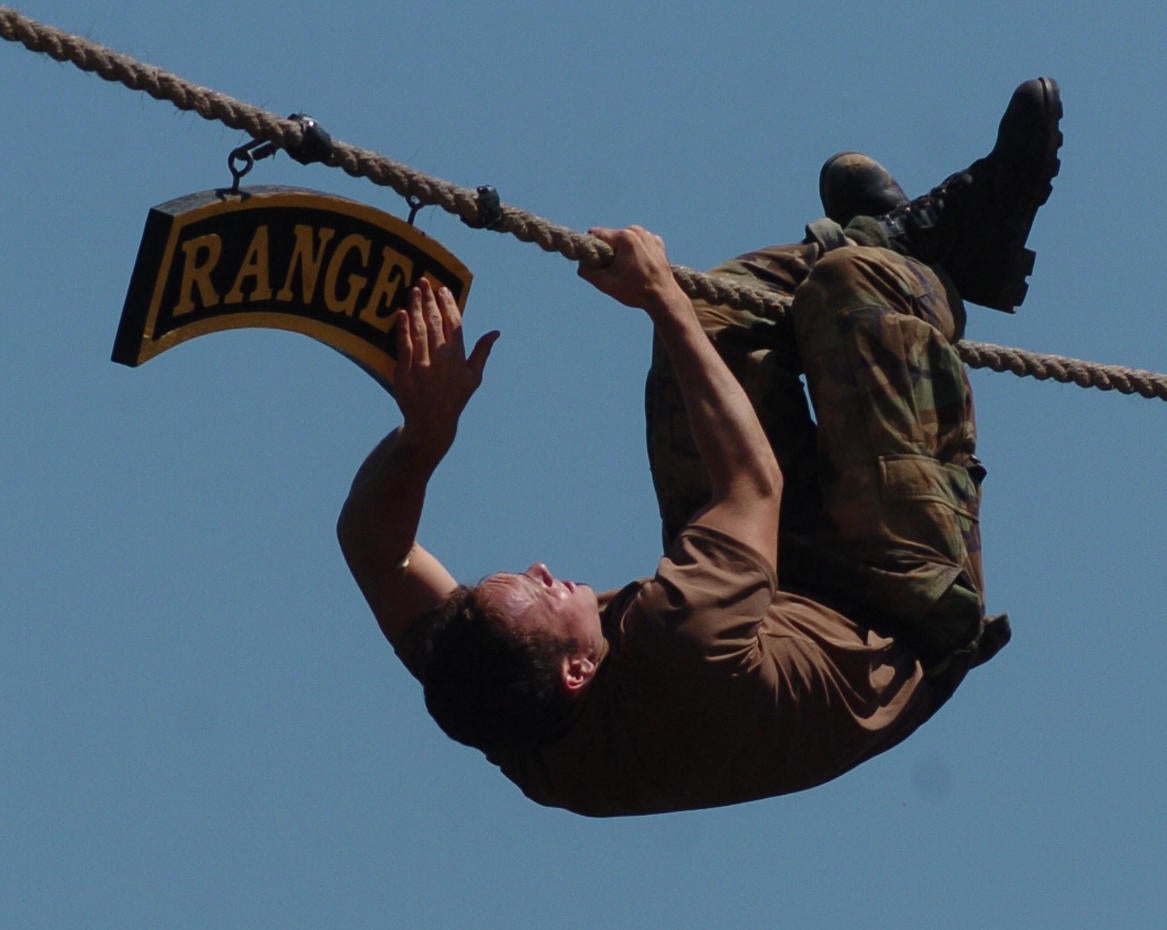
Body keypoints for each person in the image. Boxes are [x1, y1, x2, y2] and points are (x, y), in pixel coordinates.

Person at [337, 78, 1062, 816]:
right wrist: (657, 297)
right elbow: (752, 486)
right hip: (898, 612)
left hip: (771, 582)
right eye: (539, 595)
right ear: (579, 669)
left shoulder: (495, 699)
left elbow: (373, 545)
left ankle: (908, 237)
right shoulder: (681, 645)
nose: (543, 568)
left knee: (715, 312)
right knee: (853, 290)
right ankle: (927, 262)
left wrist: (424, 438)